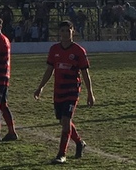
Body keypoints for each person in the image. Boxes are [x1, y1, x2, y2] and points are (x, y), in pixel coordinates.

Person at [34, 21, 95, 165]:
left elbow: (85, 73)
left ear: (73, 32)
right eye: (62, 31)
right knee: (63, 121)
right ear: (59, 33)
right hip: (58, 90)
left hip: (72, 90)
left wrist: (90, 93)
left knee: (66, 121)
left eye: (68, 30)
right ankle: (79, 143)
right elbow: (49, 70)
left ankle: (62, 154)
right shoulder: (54, 49)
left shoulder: (79, 51)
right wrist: (40, 87)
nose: (65, 33)